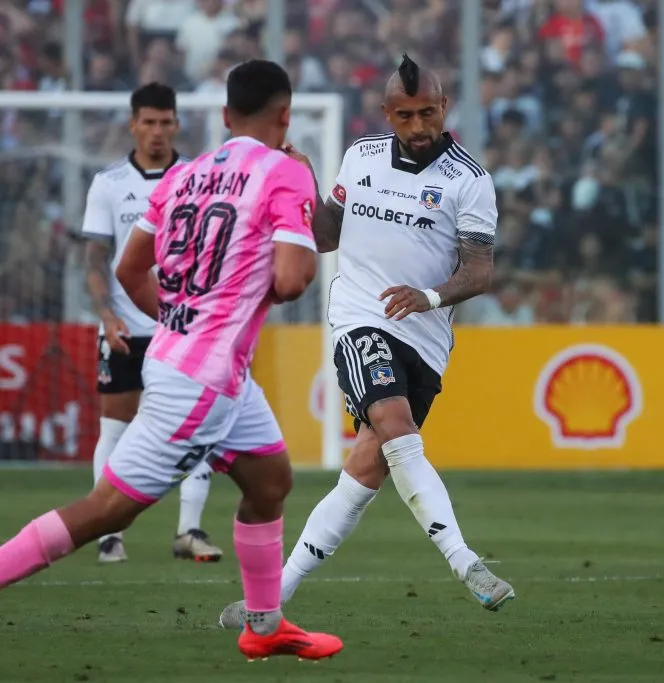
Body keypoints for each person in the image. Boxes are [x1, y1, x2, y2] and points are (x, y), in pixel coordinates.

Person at [0, 60, 343, 661]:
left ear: (224, 117)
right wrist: (304, 205)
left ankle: (264, 627)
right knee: (107, 512)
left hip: (199, 366)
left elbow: (130, 269)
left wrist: (186, 322)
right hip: (202, 383)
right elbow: (291, 281)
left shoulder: (183, 178)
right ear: (286, 116)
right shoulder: (285, 174)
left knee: (270, 481)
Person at [218, 54, 515, 630]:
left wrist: (427, 298)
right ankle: (466, 562)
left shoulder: (469, 179)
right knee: (396, 425)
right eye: (405, 115)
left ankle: (268, 600)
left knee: (363, 472)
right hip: (361, 319)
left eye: (428, 112)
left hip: (425, 338)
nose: (419, 125)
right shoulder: (361, 158)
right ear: (387, 114)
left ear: (444, 106)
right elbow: (326, 236)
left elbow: (479, 271)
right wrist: (303, 184)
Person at [82, 82, 221, 564]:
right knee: (115, 428)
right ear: (133, 124)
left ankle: (190, 531)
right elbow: (97, 258)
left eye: (166, 122)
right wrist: (106, 314)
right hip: (125, 326)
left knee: (200, 428)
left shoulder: (199, 178)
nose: (158, 131)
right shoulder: (109, 183)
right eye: (149, 122)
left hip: (183, 328)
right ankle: (108, 534)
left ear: (177, 124)